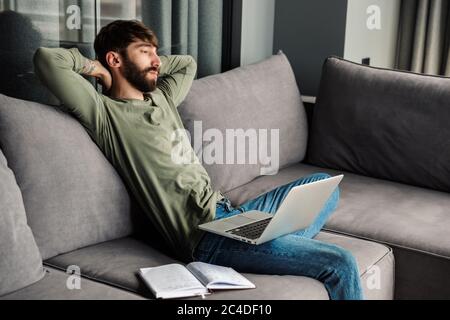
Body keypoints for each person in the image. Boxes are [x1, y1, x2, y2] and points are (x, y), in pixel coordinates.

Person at [33, 19, 363, 300]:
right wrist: (98, 70)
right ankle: (262, 246)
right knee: (341, 263)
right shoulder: (105, 114)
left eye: (155, 51)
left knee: (325, 186)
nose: (156, 61)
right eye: (144, 52)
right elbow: (47, 60)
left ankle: (266, 242)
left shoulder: (162, 98)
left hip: (231, 214)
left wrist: (149, 57)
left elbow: (187, 63)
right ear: (115, 59)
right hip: (203, 237)